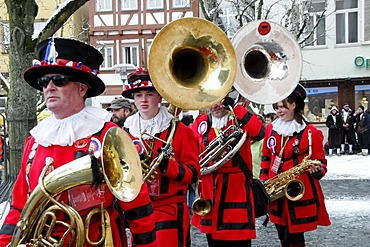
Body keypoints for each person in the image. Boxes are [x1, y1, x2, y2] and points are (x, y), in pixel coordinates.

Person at [0, 38, 157, 246]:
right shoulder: (35, 141)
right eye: (44, 82)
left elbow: (136, 200)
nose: (50, 87)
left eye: (59, 80)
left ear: (82, 89)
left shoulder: (108, 134)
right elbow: (20, 205)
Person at [122, 68, 200, 247]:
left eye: (149, 94)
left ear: (160, 97)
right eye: (138, 95)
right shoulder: (126, 131)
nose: (143, 100)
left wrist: (167, 167)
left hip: (170, 210)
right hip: (139, 210)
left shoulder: (180, 131)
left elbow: (194, 174)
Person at [259, 84, 331, 247]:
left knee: (295, 237)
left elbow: (322, 163)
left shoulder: (311, 131)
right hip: (276, 190)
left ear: (294, 105)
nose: (278, 111)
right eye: (276, 107)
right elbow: (266, 157)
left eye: (282, 107)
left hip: (298, 192)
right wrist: (264, 179)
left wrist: (317, 170)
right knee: (282, 234)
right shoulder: (271, 128)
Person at [190, 95, 265, 246]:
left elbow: (259, 132)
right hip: (209, 191)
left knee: (239, 241)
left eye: (219, 99)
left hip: (237, 190)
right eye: (211, 101)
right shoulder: (201, 122)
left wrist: (236, 107)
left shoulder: (239, 118)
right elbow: (191, 151)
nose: (216, 105)